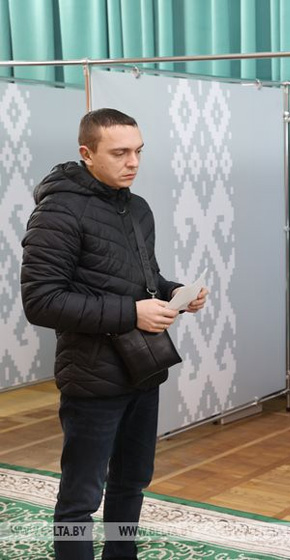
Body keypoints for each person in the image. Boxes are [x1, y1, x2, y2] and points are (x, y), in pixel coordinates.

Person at [20, 108, 208, 560]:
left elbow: (143, 280)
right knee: (80, 498)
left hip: (142, 369)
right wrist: (131, 313)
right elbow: (41, 301)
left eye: (139, 151)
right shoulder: (57, 212)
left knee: (131, 482)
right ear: (86, 154)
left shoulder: (137, 208)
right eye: (120, 153)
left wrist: (174, 292)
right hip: (92, 377)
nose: (133, 162)